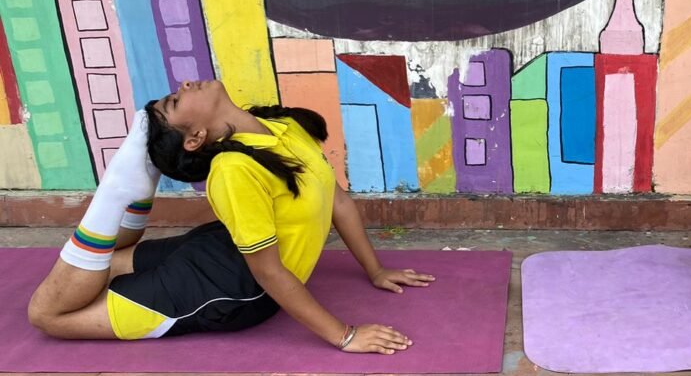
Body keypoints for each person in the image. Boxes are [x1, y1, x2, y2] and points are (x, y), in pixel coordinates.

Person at [27, 80, 434, 354]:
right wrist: (345, 336)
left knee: (61, 300)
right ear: (195, 138)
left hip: (229, 280)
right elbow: (270, 272)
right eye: (175, 101)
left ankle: (127, 188)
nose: (185, 85)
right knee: (51, 312)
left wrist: (376, 270)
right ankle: (119, 191)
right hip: (226, 274)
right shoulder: (233, 171)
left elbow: (337, 201)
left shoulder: (285, 126)